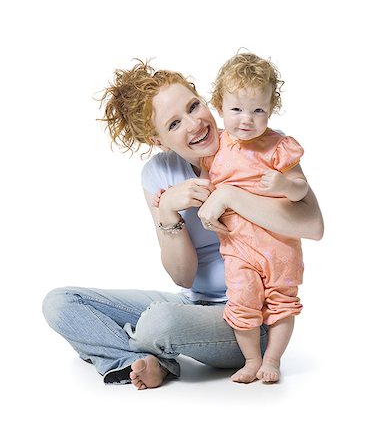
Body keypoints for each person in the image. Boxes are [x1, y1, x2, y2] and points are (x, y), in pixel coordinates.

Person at [42, 60, 324, 390]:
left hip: (248, 319)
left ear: (207, 101)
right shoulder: (158, 175)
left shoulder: (254, 144)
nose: (194, 124)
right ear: (157, 139)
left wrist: (230, 195)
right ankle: (139, 362)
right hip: (192, 304)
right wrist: (167, 212)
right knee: (61, 303)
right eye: (174, 123)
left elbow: (313, 225)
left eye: (194, 106)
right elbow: (183, 276)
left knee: (159, 323)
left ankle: (142, 351)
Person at [198, 52, 314, 384]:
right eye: (236, 109)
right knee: (242, 299)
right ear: (219, 107)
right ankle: (251, 360)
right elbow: (208, 186)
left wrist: (284, 185)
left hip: (280, 246)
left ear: (270, 110)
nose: (246, 119)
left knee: (282, 302)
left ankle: (273, 359)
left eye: (258, 110)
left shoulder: (278, 147)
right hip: (238, 246)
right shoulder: (218, 146)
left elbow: (301, 191)